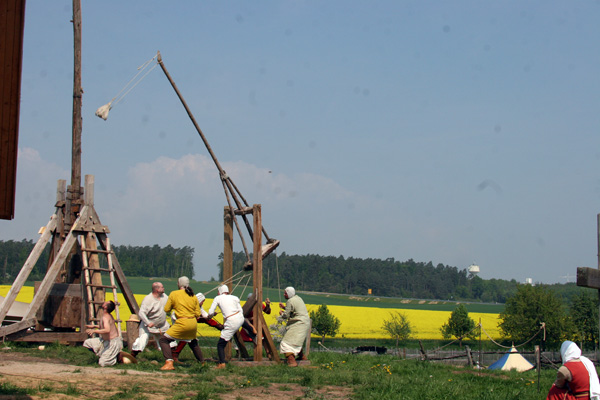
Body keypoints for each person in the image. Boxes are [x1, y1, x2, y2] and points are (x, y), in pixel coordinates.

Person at [158, 276, 202, 370]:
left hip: (182, 322)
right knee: (193, 342)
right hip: (193, 323)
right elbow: (198, 313)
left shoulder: (174, 294)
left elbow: (167, 309)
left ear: (179, 284)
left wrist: (175, 306)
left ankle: (169, 362)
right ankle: (202, 363)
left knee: (163, 340)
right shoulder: (193, 296)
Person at [171, 292, 224, 363]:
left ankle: (201, 361)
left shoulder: (199, 307)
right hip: (178, 319)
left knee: (191, 340)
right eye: (202, 302)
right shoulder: (190, 305)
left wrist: (212, 316)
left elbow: (205, 317)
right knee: (186, 337)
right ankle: (174, 355)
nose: (203, 303)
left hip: (187, 321)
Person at [207, 284, 244, 369]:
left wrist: (210, 316)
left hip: (231, 321)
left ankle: (222, 364)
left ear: (220, 291)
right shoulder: (235, 298)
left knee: (220, 344)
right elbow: (241, 310)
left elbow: (210, 312)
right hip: (240, 318)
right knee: (226, 338)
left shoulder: (218, 298)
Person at [131, 282, 170, 358]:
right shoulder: (148, 299)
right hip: (149, 325)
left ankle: (171, 358)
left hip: (162, 325)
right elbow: (141, 313)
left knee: (169, 340)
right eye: (162, 287)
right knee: (142, 340)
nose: (164, 288)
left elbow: (171, 304)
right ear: (157, 289)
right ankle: (132, 356)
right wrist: (148, 323)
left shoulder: (165, 296)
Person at [83, 300, 124, 367]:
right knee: (87, 343)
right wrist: (94, 326)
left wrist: (94, 331)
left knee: (102, 363)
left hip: (112, 343)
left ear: (105, 307)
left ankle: (116, 356)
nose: (104, 302)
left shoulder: (106, 317)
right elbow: (104, 326)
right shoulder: (106, 316)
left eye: (106, 303)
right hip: (105, 341)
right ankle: (103, 354)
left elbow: (107, 330)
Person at [279, 287, 310, 367]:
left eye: (285, 293)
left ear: (289, 294)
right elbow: (295, 310)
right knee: (296, 341)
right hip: (304, 322)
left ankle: (292, 361)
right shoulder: (298, 298)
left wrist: (281, 313)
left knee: (286, 343)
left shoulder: (290, 301)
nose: (284, 295)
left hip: (299, 323)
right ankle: (302, 357)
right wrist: (284, 307)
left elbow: (286, 315)